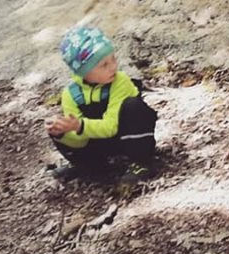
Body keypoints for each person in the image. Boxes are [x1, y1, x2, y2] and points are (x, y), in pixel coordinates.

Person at [46, 26, 157, 184]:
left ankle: (141, 162)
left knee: (133, 106)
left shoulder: (120, 81)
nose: (113, 67)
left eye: (113, 59)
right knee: (58, 131)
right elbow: (80, 141)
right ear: (83, 71)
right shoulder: (70, 94)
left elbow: (111, 126)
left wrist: (79, 126)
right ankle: (91, 166)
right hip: (98, 143)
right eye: (104, 65)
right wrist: (63, 133)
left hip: (125, 138)